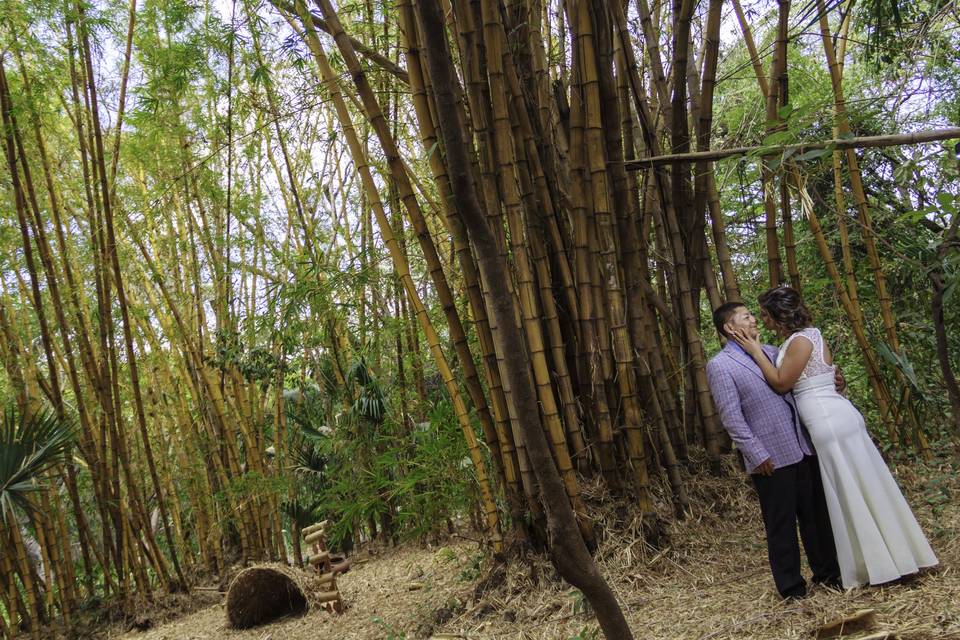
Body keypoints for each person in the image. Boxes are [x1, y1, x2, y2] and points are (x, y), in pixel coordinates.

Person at [730, 285, 939, 590]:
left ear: (780, 314)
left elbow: (781, 383)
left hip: (828, 422)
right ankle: (889, 558)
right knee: (865, 486)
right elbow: (823, 376)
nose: (761, 320)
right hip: (833, 416)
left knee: (850, 491)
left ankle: (883, 564)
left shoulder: (801, 340)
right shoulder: (804, 338)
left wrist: (753, 352)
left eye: (764, 313)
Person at [706, 301, 841, 599]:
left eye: (753, 315)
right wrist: (756, 454)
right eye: (747, 316)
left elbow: (796, 385)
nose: (755, 320)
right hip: (769, 456)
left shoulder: (770, 351)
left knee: (816, 517)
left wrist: (832, 381)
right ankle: (792, 589)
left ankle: (829, 575)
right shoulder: (720, 365)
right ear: (730, 328)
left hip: (802, 445)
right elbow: (731, 417)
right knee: (780, 525)